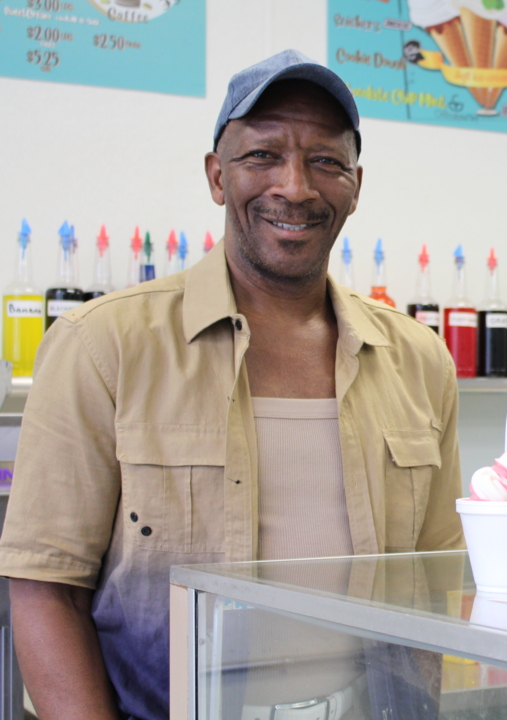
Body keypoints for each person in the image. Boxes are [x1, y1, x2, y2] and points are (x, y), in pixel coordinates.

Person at [0, 50, 463, 720]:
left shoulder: (420, 361)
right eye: (263, 156)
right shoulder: (103, 346)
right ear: (218, 176)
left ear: (355, 186)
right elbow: (46, 588)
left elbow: (434, 584)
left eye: (326, 161)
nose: (295, 186)